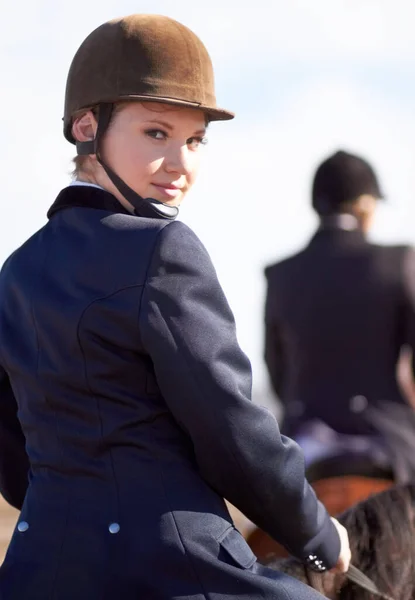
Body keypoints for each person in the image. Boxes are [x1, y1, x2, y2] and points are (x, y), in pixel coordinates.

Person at [0, 15, 349, 599]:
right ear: (87, 127)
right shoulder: (162, 248)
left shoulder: (16, 271)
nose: (182, 165)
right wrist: (318, 533)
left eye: (194, 141)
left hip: (39, 570)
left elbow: (13, 456)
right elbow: (233, 430)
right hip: (169, 568)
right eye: (157, 134)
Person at [264, 150, 415, 482]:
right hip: (388, 443)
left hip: (304, 443)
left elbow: (277, 369)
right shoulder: (399, 263)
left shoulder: (281, 274)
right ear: (364, 203)